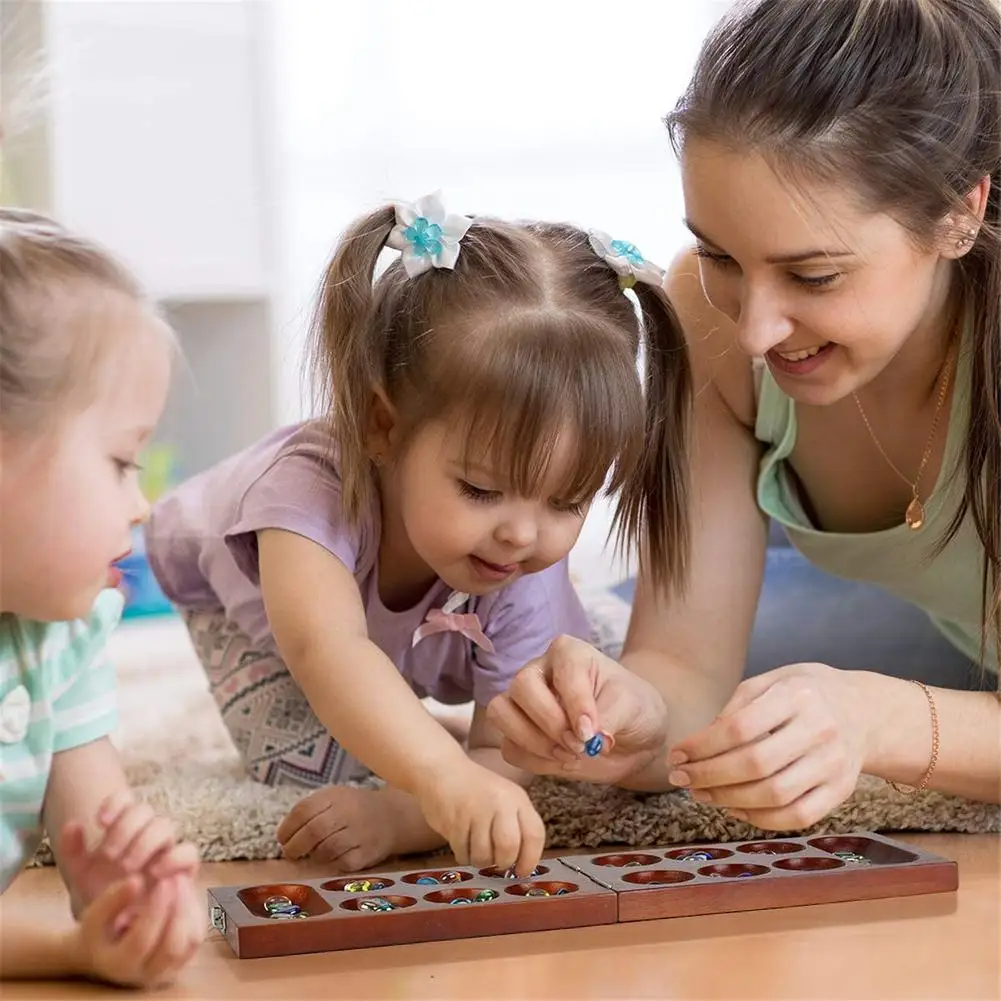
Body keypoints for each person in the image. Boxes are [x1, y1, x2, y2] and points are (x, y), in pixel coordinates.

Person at [488, 0, 1001, 830]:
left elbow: (863, 716)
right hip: (942, 627)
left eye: (815, 277)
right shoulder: (706, 311)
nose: (755, 331)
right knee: (608, 658)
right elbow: (684, 669)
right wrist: (633, 717)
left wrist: (877, 719)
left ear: (958, 213)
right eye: (722, 255)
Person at [144, 193, 691, 874]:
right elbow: (327, 651)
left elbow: (503, 751)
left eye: (567, 500)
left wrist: (412, 811)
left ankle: (425, 717)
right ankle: (412, 727)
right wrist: (440, 777)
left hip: (438, 611)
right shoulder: (300, 495)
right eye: (482, 489)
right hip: (252, 600)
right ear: (383, 425)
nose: (523, 533)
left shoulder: (517, 554)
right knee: (307, 767)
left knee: (570, 700)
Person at [0, 208, 204, 987]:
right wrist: (65, 953)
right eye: (123, 459)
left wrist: (142, 898)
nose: (142, 503)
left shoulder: (64, 632)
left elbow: (97, 849)